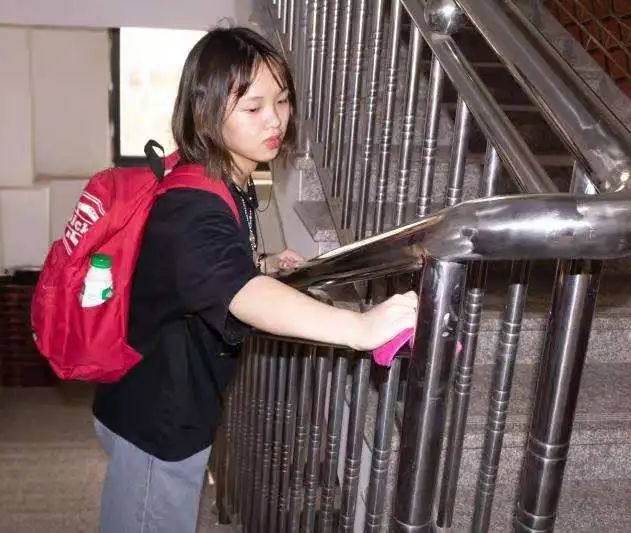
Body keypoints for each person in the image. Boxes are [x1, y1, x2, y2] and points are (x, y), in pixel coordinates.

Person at [91, 26, 417, 532]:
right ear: (206, 112)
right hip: (157, 420)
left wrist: (259, 264)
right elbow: (241, 294)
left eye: (282, 101)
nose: (275, 120)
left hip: (161, 402)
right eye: (253, 107)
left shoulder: (223, 177)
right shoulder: (193, 206)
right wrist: (360, 328)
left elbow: (208, 270)